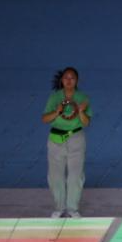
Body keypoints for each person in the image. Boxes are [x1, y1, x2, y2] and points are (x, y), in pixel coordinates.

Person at [42, 68, 90, 219]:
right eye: (66, 78)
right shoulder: (54, 97)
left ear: (77, 81)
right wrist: (57, 111)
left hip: (76, 138)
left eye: (72, 78)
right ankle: (59, 208)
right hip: (56, 139)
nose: (69, 81)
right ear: (62, 80)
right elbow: (45, 119)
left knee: (76, 175)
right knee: (55, 175)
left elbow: (86, 123)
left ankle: (72, 209)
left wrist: (81, 111)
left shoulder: (83, 98)